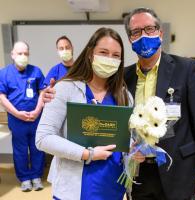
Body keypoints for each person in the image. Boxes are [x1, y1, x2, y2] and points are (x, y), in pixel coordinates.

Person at [35, 27, 133, 200]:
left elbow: (128, 138)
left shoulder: (123, 95)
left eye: (116, 55)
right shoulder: (64, 88)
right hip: (75, 188)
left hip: (113, 187)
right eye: (103, 52)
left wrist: (135, 147)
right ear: (90, 53)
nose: (109, 59)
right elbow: (43, 138)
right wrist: (88, 154)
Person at [124, 7, 195, 200]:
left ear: (160, 32)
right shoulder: (124, 77)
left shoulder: (186, 68)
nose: (144, 35)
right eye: (136, 32)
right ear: (129, 39)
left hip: (179, 172)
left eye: (149, 29)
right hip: (138, 173)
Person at [0, 41, 45, 192]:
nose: (23, 56)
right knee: (20, 150)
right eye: (19, 53)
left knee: (37, 148)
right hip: (16, 119)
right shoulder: (4, 73)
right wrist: (17, 113)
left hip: (35, 118)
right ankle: (25, 178)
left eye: (26, 53)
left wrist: (37, 111)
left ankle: (37, 176)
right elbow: (2, 97)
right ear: (12, 54)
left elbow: (43, 93)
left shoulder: (36, 71)